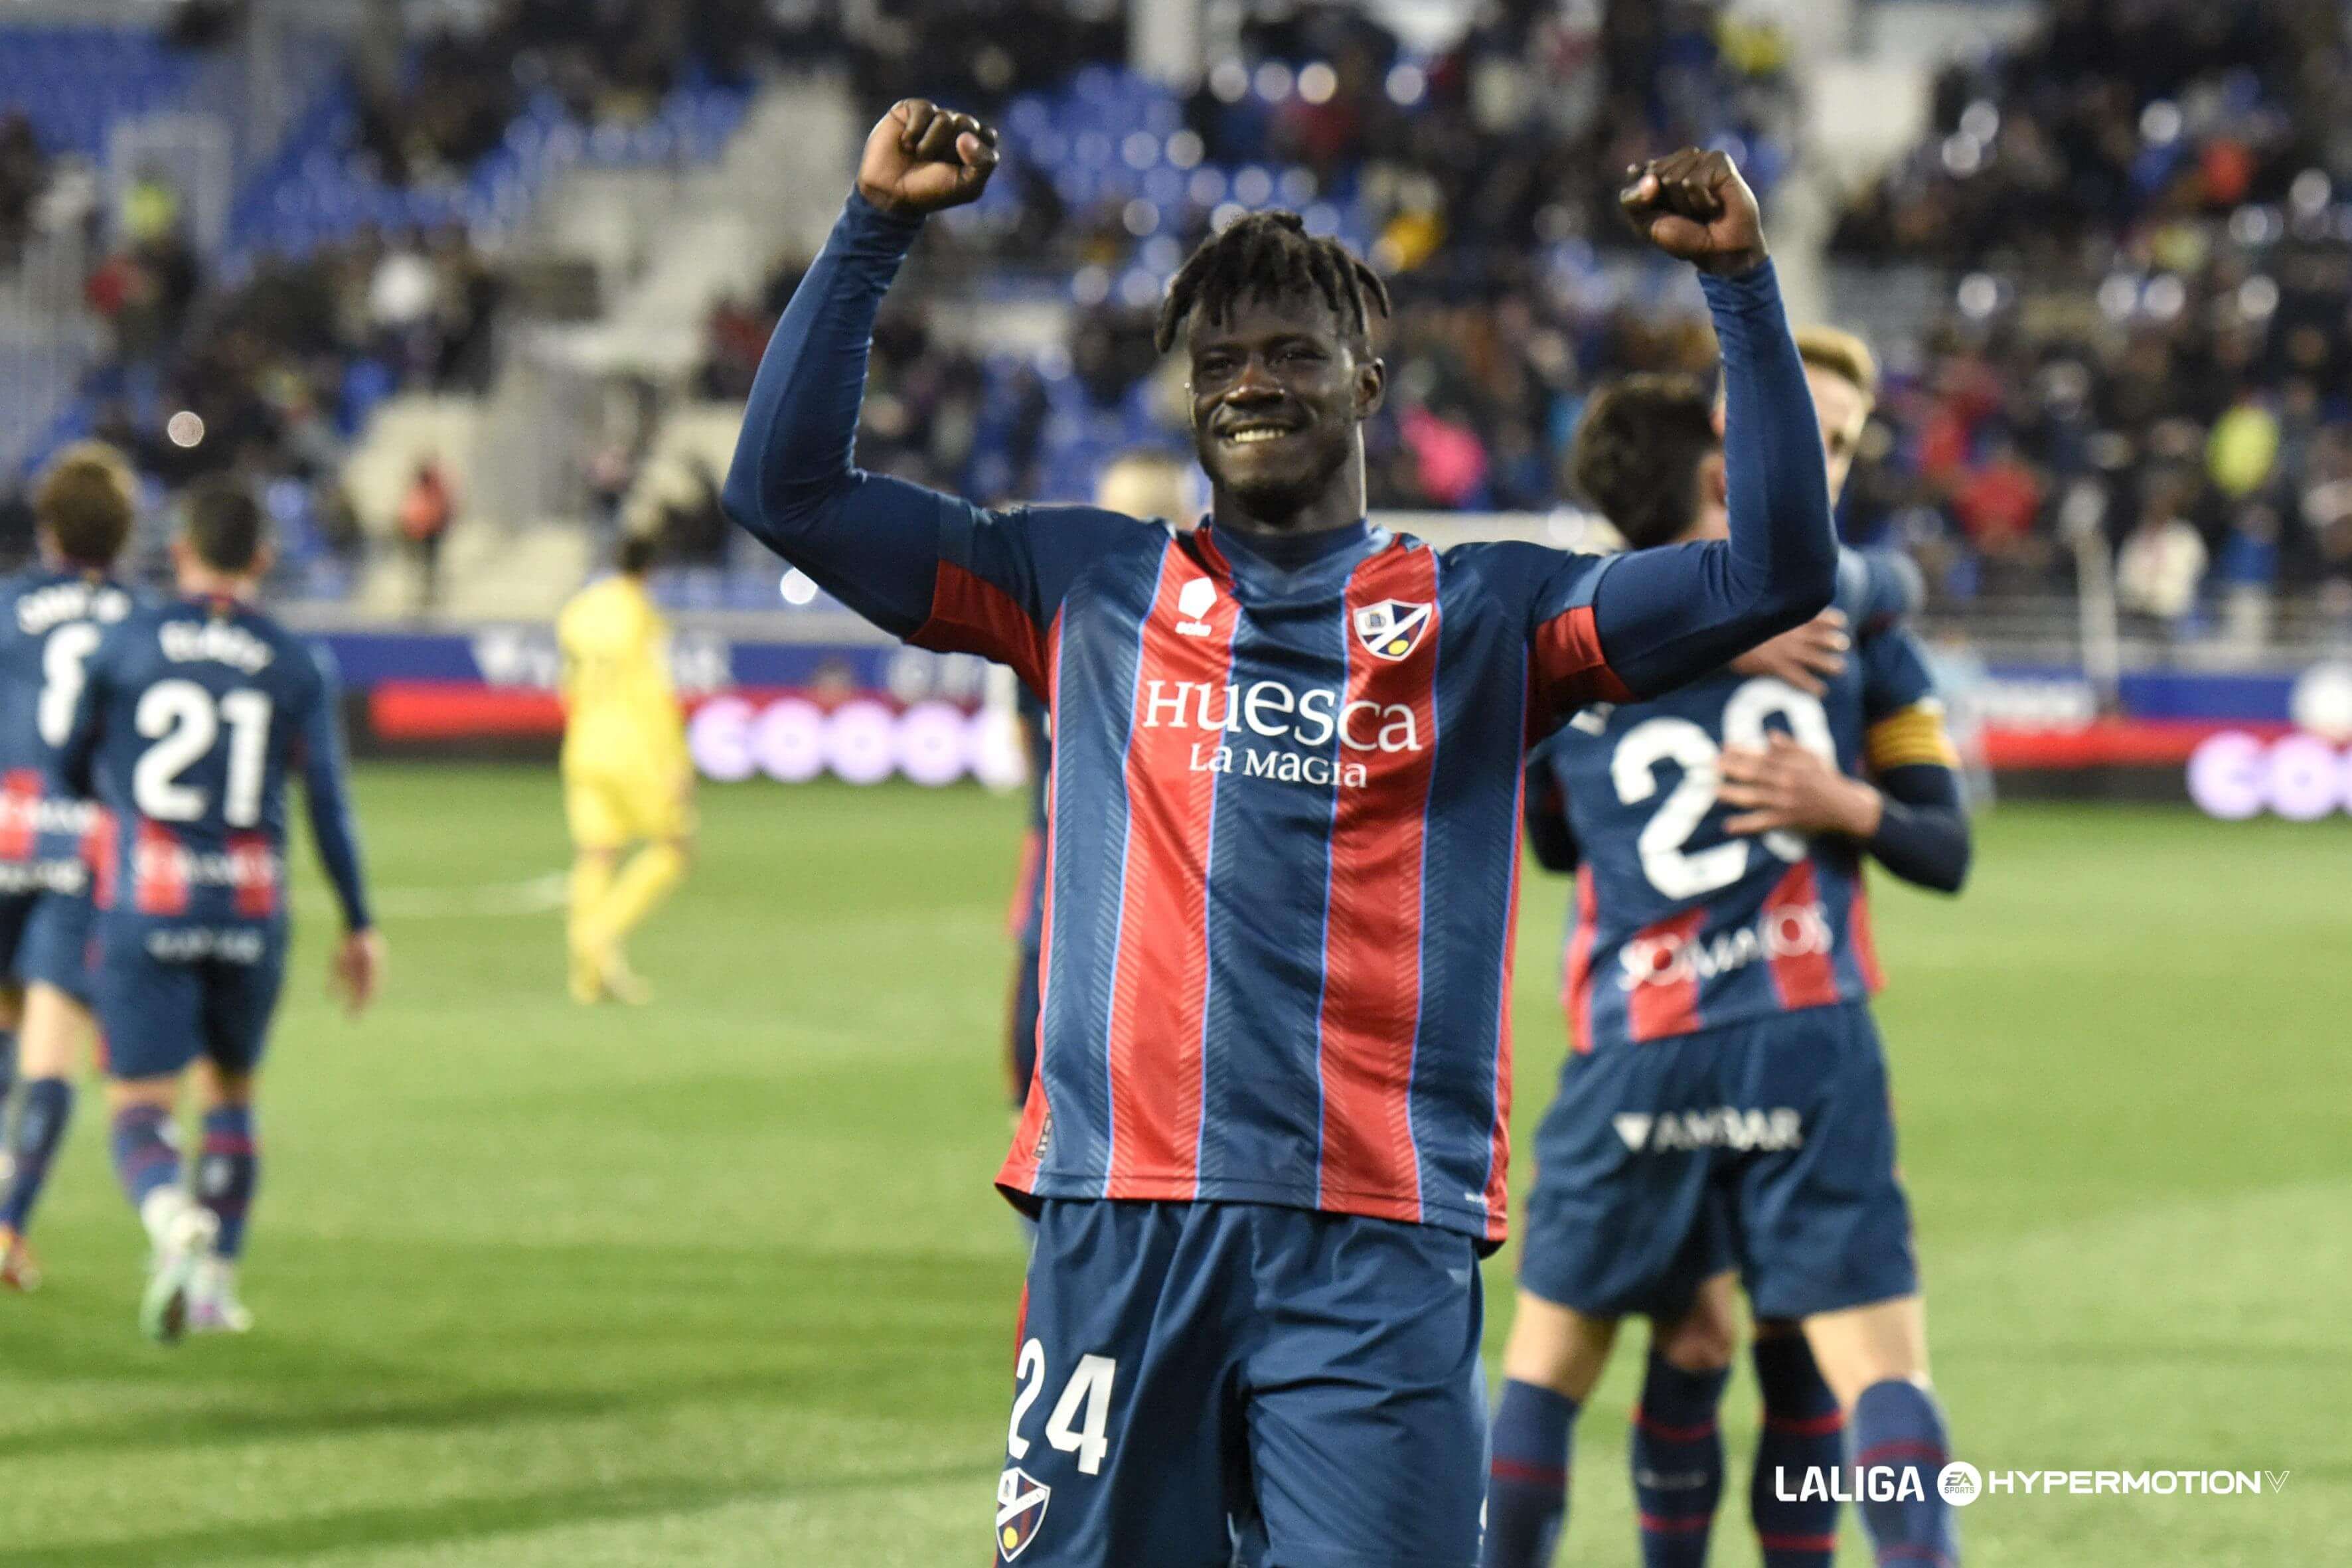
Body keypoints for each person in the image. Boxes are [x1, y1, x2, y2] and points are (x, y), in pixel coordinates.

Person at [724, 100, 1836, 1566]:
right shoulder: (1081, 583)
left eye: (1292, 354)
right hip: (1123, 1225)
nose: (1250, 383)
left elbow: (1772, 569)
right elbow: (784, 492)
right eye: (1219, 362)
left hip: (1373, 1240)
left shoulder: (1485, 614)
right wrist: (873, 229)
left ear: (1366, 379)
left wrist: (1738, 286)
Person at [1486, 367, 1972, 1568]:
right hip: (1803, 1033)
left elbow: (1548, 836)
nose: (1819, 474)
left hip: (1634, 1044)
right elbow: (1883, 588)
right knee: (1864, 1364)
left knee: (1551, 1372)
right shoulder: (1840, 623)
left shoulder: (1573, 636)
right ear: (1723, 466)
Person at [55, 477, 382, 1341]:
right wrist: (359, 922)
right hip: (249, 905)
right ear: (263, 559)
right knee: (232, 1091)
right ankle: (215, 1292)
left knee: (138, 1100)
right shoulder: (295, 661)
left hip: (150, 898)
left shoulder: (129, 644)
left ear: (180, 551)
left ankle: (172, 1220)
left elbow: (71, 763)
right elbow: (329, 805)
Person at [0, 443, 147, 1291]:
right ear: (126, 535)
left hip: (7, 833)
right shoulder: (145, 623)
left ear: (48, 528)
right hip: (88, 848)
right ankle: (10, 1225)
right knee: (50, 1048)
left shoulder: (8, 606)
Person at [556, 532, 692, 1004]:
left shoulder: (579, 610)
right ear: (651, 570)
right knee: (674, 847)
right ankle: (599, 936)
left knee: (596, 853)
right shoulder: (641, 616)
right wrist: (676, 760)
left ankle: (588, 977)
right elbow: (653, 692)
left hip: (583, 743)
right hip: (634, 747)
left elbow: (568, 684)